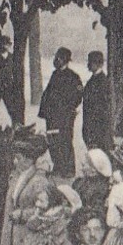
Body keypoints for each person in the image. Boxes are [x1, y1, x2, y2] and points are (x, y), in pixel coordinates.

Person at [37, 49, 83, 177]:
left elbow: (78, 97)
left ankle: (69, 169)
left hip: (64, 117)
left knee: (65, 140)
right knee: (53, 141)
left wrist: (67, 109)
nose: (56, 60)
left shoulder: (73, 77)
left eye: (59, 58)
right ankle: (58, 167)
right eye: (56, 57)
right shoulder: (54, 74)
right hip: (52, 116)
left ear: (65, 60)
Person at [80, 51, 112, 155]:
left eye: (91, 62)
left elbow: (102, 106)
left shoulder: (102, 81)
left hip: (97, 126)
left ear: (98, 64)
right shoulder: (94, 80)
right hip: (92, 124)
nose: (88, 65)